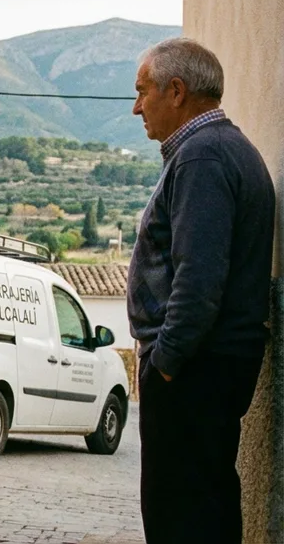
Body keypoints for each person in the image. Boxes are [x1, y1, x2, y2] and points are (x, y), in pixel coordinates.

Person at [127, 37, 275, 543]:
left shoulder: (202, 157)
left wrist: (166, 361)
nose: (136, 107)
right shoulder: (217, 149)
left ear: (176, 91)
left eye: (143, 91)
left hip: (194, 367)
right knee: (204, 505)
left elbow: (199, 278)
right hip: (206, 363)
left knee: (179, 516)